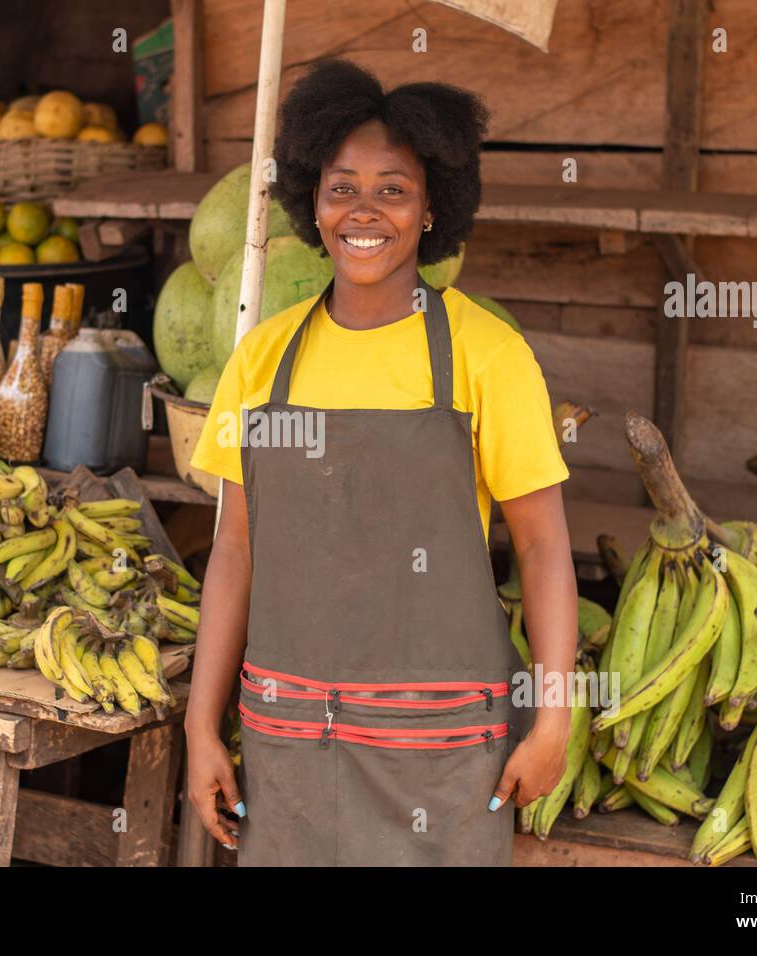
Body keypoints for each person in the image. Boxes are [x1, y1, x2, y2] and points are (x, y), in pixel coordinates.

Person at [184, 59, 578, 866]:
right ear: (312, 202)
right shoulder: (261, 360)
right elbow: (235, 549)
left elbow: (542, 548)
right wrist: (200, 727)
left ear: (434, 208)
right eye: (342, 187)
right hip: (290, 742)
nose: (364, 212)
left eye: (393, 189)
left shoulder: (487, 356)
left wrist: (554, 721)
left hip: (444, 753)